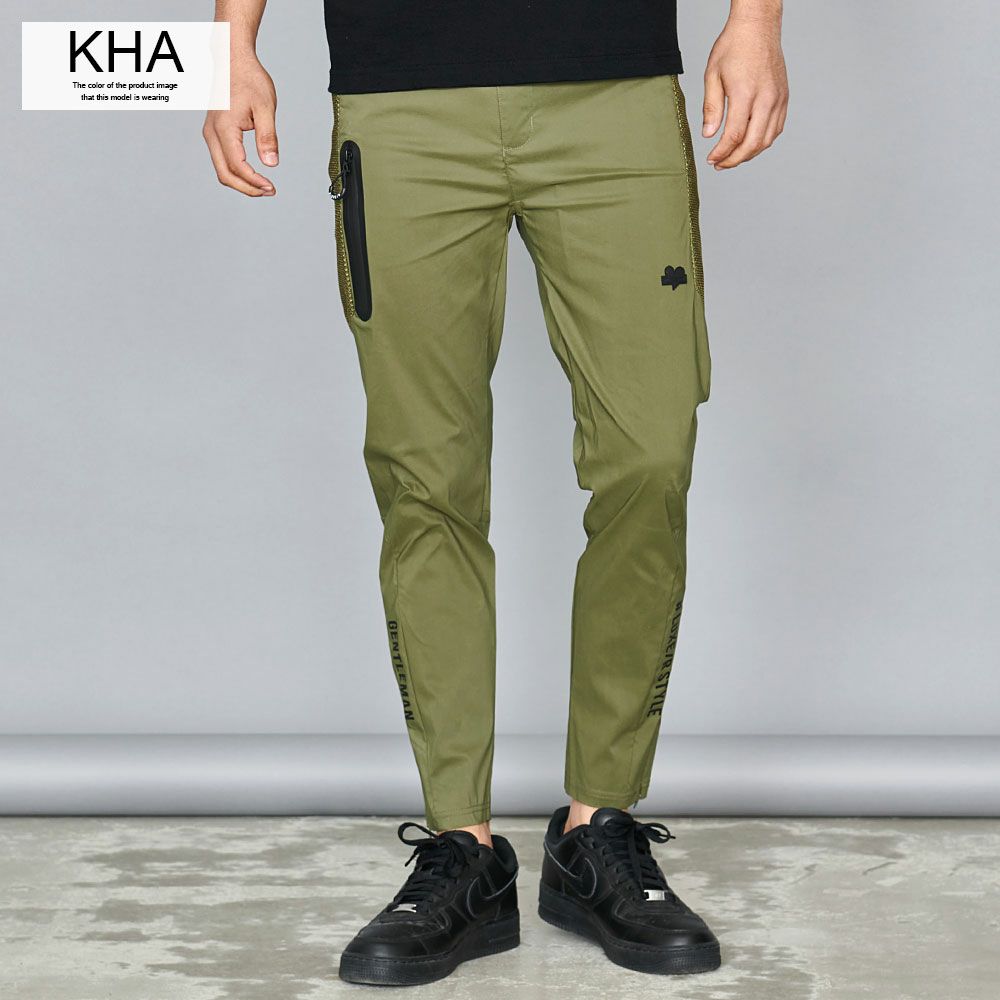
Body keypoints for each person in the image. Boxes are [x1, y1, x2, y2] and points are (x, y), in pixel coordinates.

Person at [204, 0, 787, 985]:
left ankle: (597, 829)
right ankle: (461, 849)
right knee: (425, 476)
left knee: (649, 457)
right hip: (399, 95)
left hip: (612, 84)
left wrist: (757, 20)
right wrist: (229, 45)